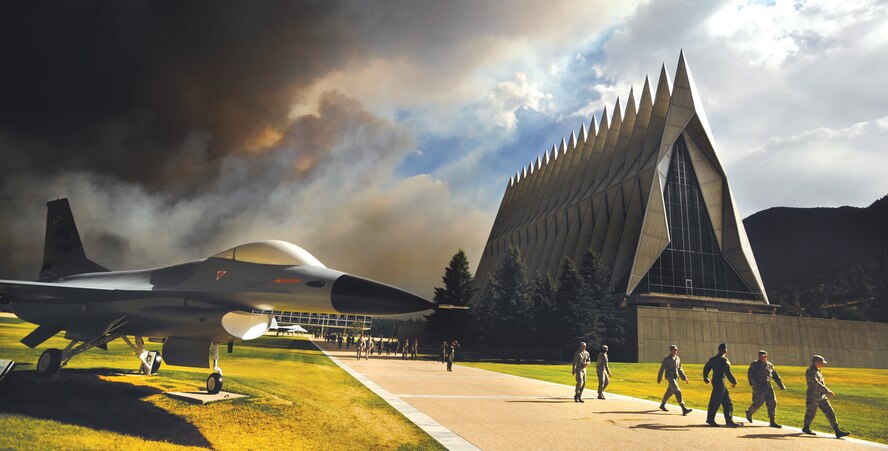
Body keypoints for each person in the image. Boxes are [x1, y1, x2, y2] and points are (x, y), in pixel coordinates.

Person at [803, 355, 850, 438]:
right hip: (813, 396)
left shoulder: (818, 371)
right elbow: (815, 383)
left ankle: (837, 430)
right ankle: (806, 427)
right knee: (811, 412)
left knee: (830, 411)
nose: (823, 364)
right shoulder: (810, 371)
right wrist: (827, 390)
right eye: (821, 363)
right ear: (815, 362)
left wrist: (824, 392)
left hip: (821, 396)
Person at [703, 343, 740, 427]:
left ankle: (729, 420)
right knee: (716, 401)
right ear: (726, 350)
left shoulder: (713, 359)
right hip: (720, 382)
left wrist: (705, 378)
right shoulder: (724, 360)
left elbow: (706, 368)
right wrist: (734, 382)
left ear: (718, 350)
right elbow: (728, 373)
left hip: (715, 381)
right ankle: (711, 420)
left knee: (727, 401)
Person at [745, 350, 785, 428]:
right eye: (760, 356)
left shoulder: (770, 365)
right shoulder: (754, 365)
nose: (762, 358)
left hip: (768, 387)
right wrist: (753, 384)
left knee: (772, 403)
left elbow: (775, 376)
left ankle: (772, 421)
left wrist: (781, 385)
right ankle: (749, 412)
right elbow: (750, 375)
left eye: (763, 356)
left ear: (766, 357)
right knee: (758, 403)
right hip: (759, 387)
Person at [658, 344, 692, 415]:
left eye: (676, 350)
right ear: (671, 351)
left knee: (669, 392)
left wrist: (684, 378)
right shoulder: (666, 359)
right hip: (670, 378)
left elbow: (680, 369)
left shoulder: (678, 358)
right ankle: (683, 408)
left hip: (675, 378)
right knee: (678, 391)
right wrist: (659, 377)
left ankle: (662, 405)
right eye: (674, 350)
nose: (675, 351)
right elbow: (662, 369)